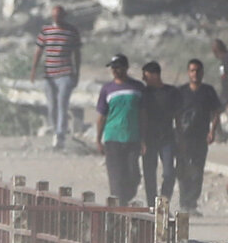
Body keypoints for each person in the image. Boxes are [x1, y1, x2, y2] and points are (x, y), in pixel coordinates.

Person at [174, 58, 222, 212]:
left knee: (197, 170)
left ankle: (192, 203)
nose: (195, 73)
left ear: (202, 72)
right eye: (192, 70)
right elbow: (175, 114)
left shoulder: (208, 91)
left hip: (200, 137)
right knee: (182, 169)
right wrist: (178, 133)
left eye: (198, 70)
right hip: (182, 137)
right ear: (188, 72)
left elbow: (215, 113)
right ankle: (184, 203)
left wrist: (212, 131)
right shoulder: (181, 92)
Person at [30, 3, 81, 148]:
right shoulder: (46, 30)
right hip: (49, 74)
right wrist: (33, 69)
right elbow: (39, 50)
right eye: (54, 16)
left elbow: (77, 53)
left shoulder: (72, 31)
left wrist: (77, 72)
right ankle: (54, 129)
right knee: (52, 105)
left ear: (64, 16)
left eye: (59, 15)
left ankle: (60, 134)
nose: (57, 18)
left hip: (65, 73)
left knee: (62, 103)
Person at [95, 53, 145, 202]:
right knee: (116, 175)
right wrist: (98, 139)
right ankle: (119, 206)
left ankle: (124, 199)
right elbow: (102, 116)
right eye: (113, 68)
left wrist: (143, 139)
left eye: (118, 67)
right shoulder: (107, 89)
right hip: (112, 138)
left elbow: (143, 115)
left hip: (132, 138)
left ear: (126, 67)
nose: (115, 70)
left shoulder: (137, 88)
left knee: (133, 175)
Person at [138, 61, 178, 206]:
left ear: (155, 75)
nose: (143, 79)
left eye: (146, 75)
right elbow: (142, 117)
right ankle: (151, 206)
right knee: (149, 174)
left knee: (169, 173)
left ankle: (163, 201)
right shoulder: (144, 93)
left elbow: (178, 116)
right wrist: (141, 139)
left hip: (167, 139)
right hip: (149, 139)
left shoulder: (171, 92)